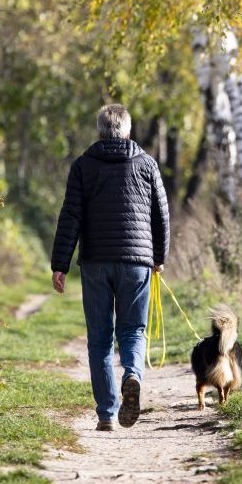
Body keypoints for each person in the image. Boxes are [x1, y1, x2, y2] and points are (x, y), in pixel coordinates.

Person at [50, 104, 170, 431]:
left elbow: (70, 216)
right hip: (136, 263)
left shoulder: (83, 166)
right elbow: (162, 215)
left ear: (100, 130)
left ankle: (106, 412)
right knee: (133, 330)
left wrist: (60, 264)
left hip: (96, 263)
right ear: (128, 131)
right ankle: (132, 374)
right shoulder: (147, 164)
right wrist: (159, 256)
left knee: (100, 338)